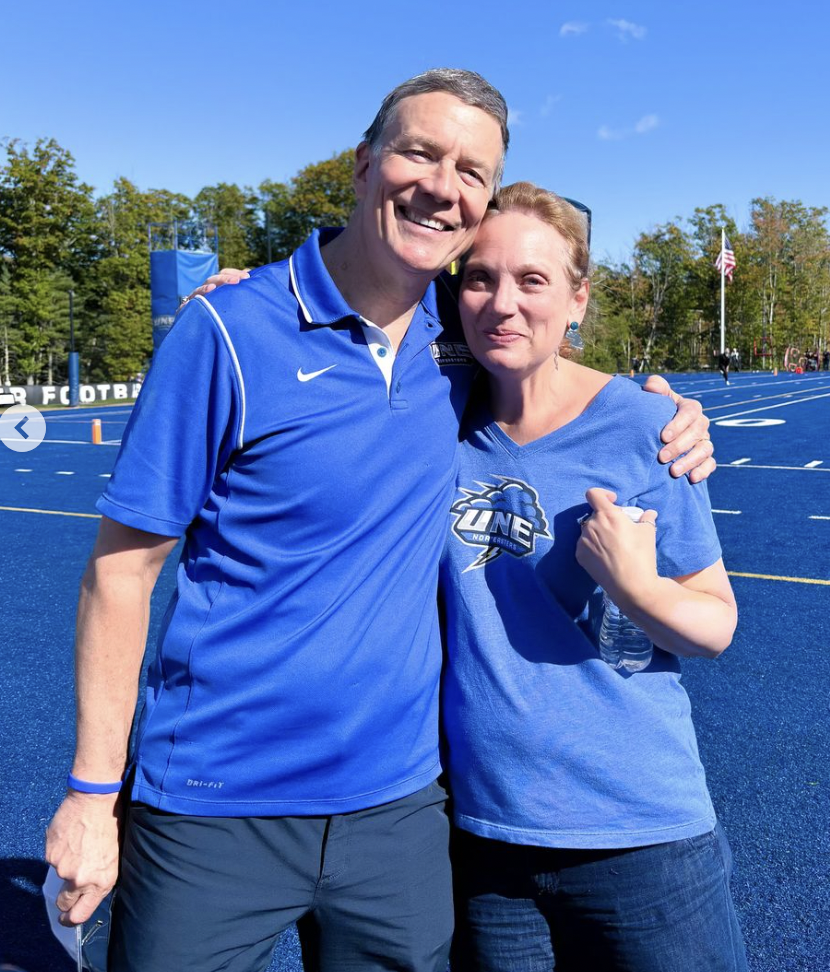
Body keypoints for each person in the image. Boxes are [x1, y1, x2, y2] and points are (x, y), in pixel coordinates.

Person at [45, 70, 715, 972]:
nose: (443, 184)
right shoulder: (229, 333)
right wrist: (92, 795)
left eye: (471, 171)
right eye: (419, 152)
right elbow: (121, 570)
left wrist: (661, 412)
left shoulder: (459, 337)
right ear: (363, 165)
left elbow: (543, 350)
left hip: (398, 811)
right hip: (213, 800)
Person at [442, 182, 746, 971]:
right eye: (480, 277)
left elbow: (716, 625)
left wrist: (640, 588)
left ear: (577, 300)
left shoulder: (651, 427)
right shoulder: (432, 420)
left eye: (533, 280)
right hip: (485, 844)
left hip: (643, 839)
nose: (502, 303)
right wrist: (243, 291)